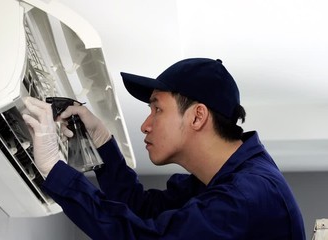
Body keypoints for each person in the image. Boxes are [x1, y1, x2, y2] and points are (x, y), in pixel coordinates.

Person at [22, 58, 306, 239]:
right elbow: (143, 211)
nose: (145, 125)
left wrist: (53, 167)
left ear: (197, 116)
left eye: (157, 108)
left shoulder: (247, 196)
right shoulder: (219, 182)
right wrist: (102, 141)